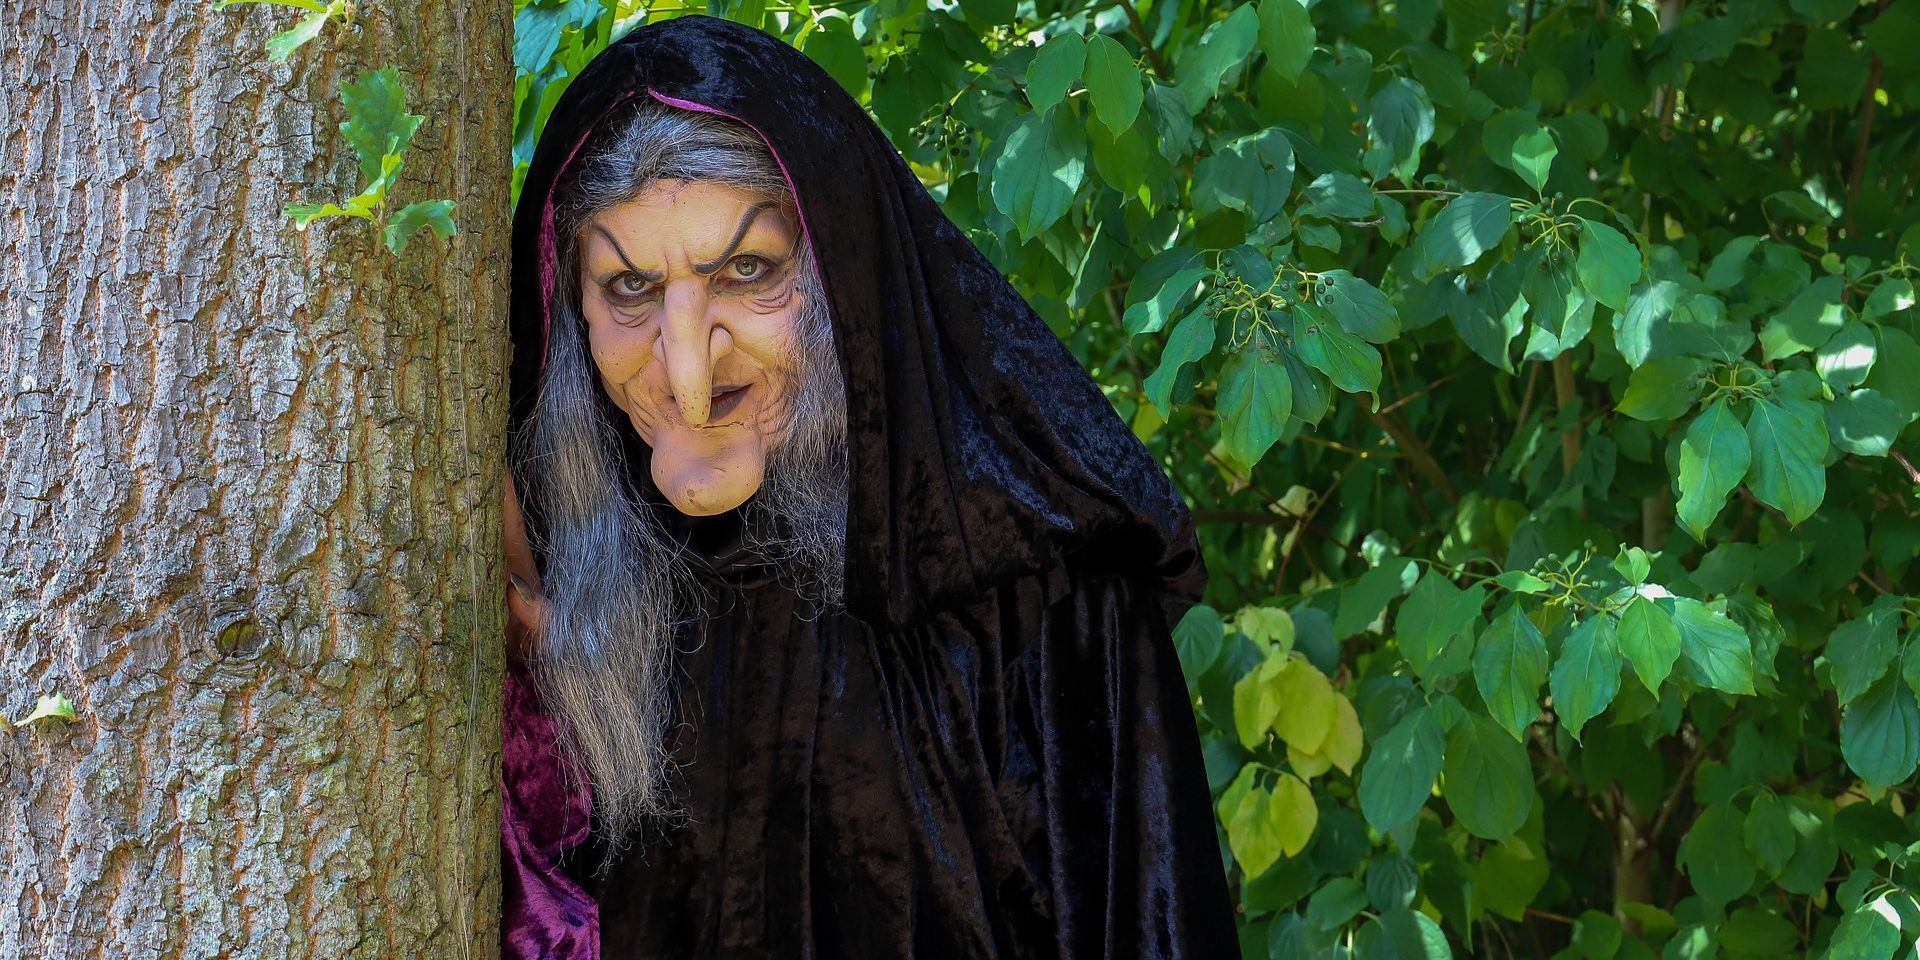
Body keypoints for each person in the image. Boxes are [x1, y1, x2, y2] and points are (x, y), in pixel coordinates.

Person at [500, 13, 1237, 958]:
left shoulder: (1047, 604)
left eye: (749, 271)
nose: (686, 371)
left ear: (843, 270)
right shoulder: (575, 582)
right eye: (630, 288)